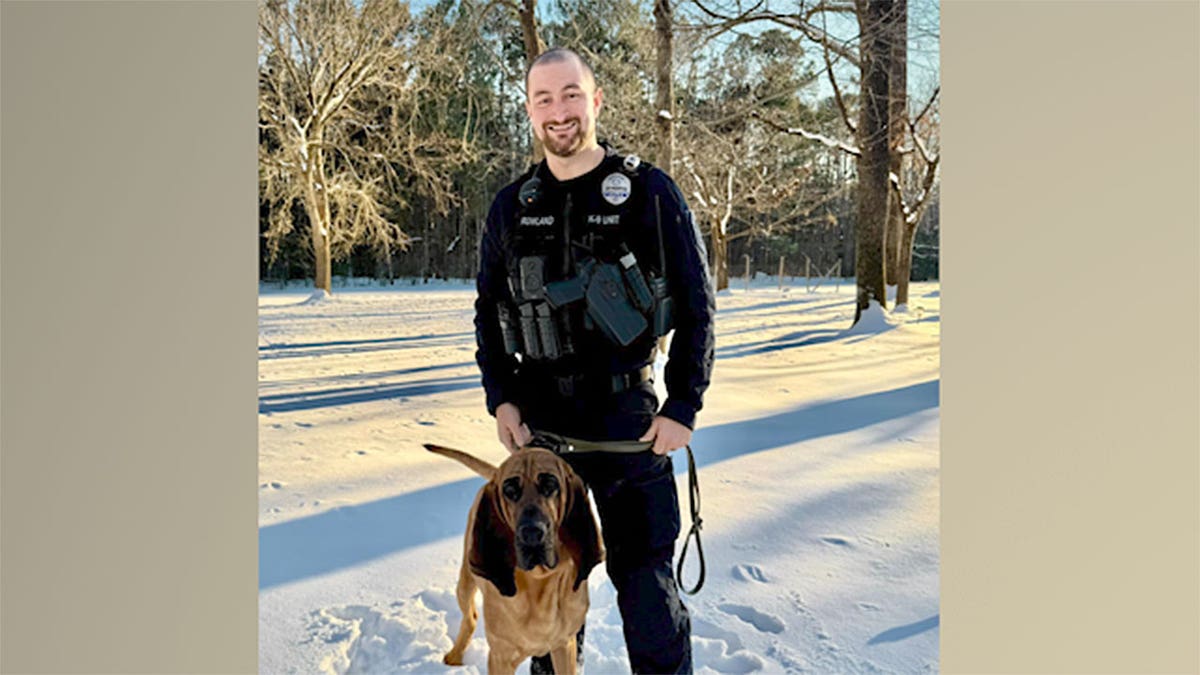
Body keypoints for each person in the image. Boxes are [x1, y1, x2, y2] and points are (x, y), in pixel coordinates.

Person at [473, 46, 715, 674]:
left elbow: (696, 304)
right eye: (544, 98)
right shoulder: (511, 206)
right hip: (543, 429)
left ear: (596, 99)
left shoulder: (647, 192)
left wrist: (683, 405)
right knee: (548, 603)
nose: (559, 112)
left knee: (648, 594)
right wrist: (501, 395)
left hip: (629, 422)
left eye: (571, 94)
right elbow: (488, 312)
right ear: (529, 109)